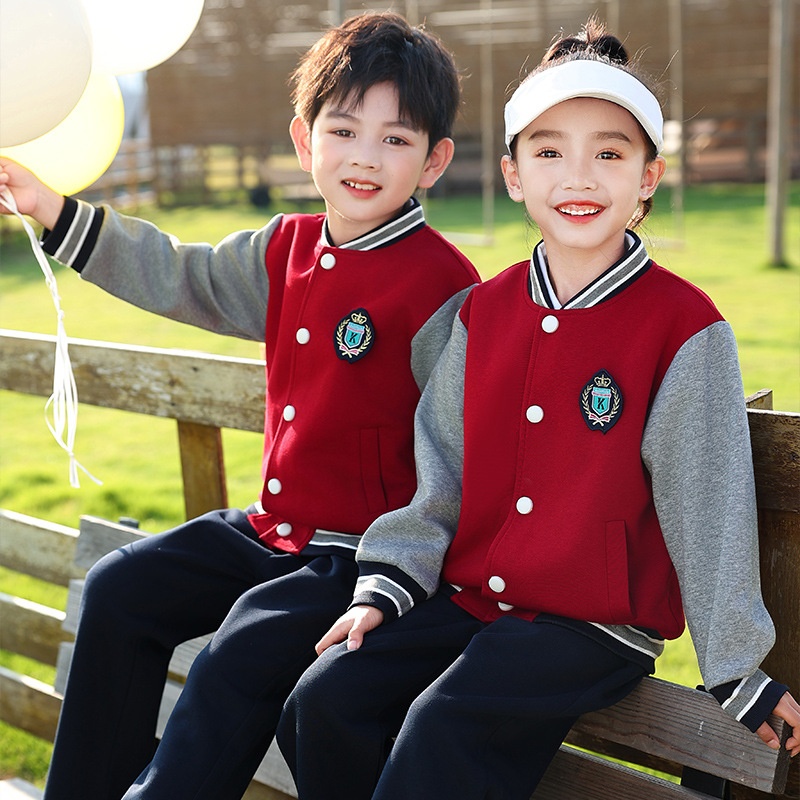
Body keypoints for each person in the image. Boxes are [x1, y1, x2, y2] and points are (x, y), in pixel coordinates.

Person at [276, 19, 800, 800]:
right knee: (324, 699)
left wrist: (734, 669)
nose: (578, 179)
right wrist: (385, 585)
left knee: (440, 729)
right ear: (515, 174)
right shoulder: (481, 312)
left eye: (609, 154)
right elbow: (440, 474)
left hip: (586, 626)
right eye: (550, 152)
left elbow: (709, 502)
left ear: (648, 178)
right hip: (470, 598)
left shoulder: (684, 328)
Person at [0, 12, 480, 800]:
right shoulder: (285, 249)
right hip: (271, 528)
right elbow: (180, 274)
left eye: (396, 140)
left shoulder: (442, 287)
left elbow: (456, 455)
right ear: (305, 141)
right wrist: (56, 210)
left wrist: (399, 578)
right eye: (345, 130)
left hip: (355, 559)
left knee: (235, 658)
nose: (365, 157)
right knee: (121, 588)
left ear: (433, 162)